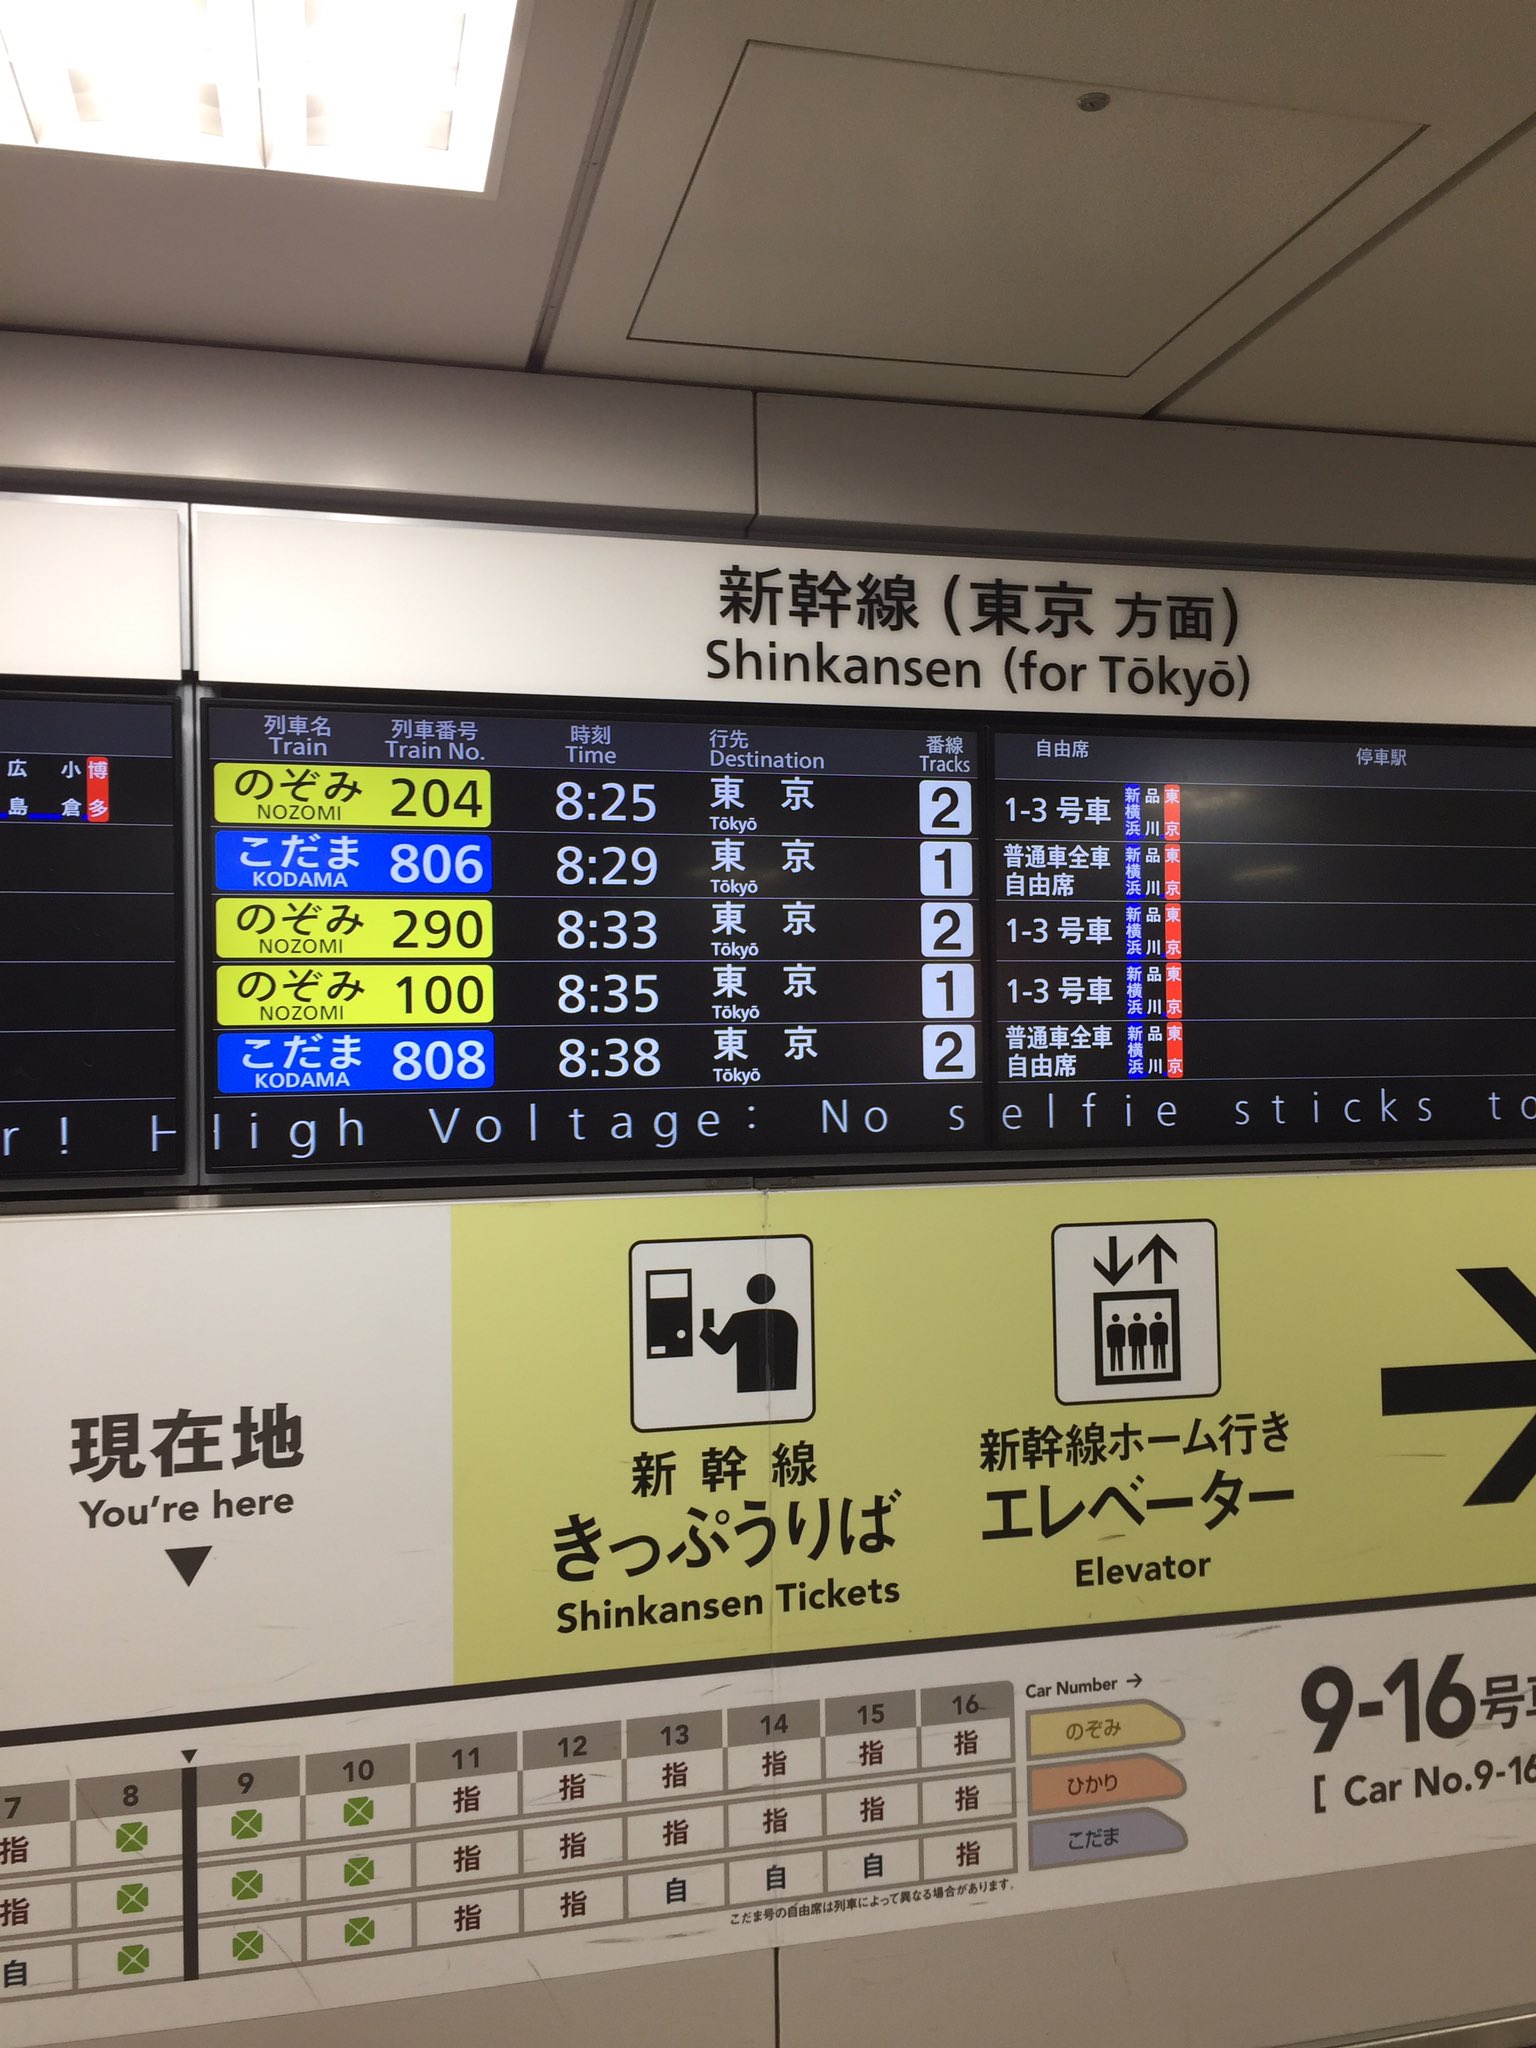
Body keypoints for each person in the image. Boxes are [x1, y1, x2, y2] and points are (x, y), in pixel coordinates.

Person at [699, 1274, 799, 1393]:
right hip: (785, 1385)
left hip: (749, 1384)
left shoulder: (740, 1319)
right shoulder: (788, 1319)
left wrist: (705, 1329)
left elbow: (721, 1347)